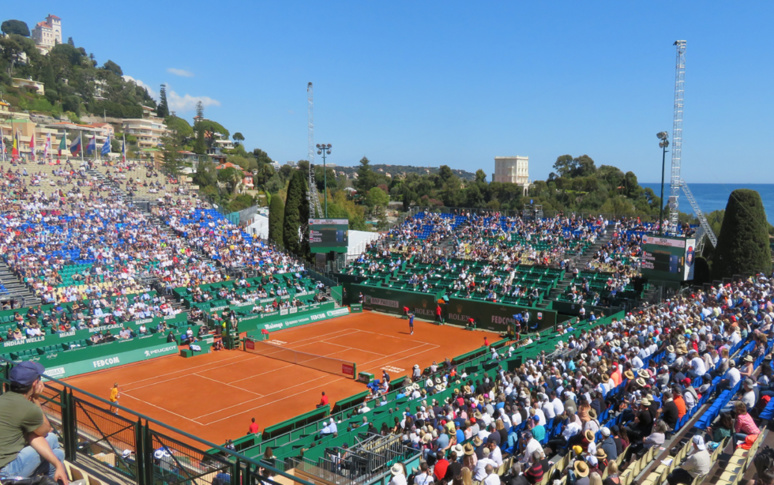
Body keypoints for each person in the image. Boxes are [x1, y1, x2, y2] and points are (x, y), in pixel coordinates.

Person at [0, 361, 69, 484]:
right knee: (57, 453)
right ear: (34, 384)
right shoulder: (27, 408)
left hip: (5, 463)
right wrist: (36, 399)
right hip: (6, 472)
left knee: (52, 440)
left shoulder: (3, 398)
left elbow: (35, 436)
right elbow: (45, 430)